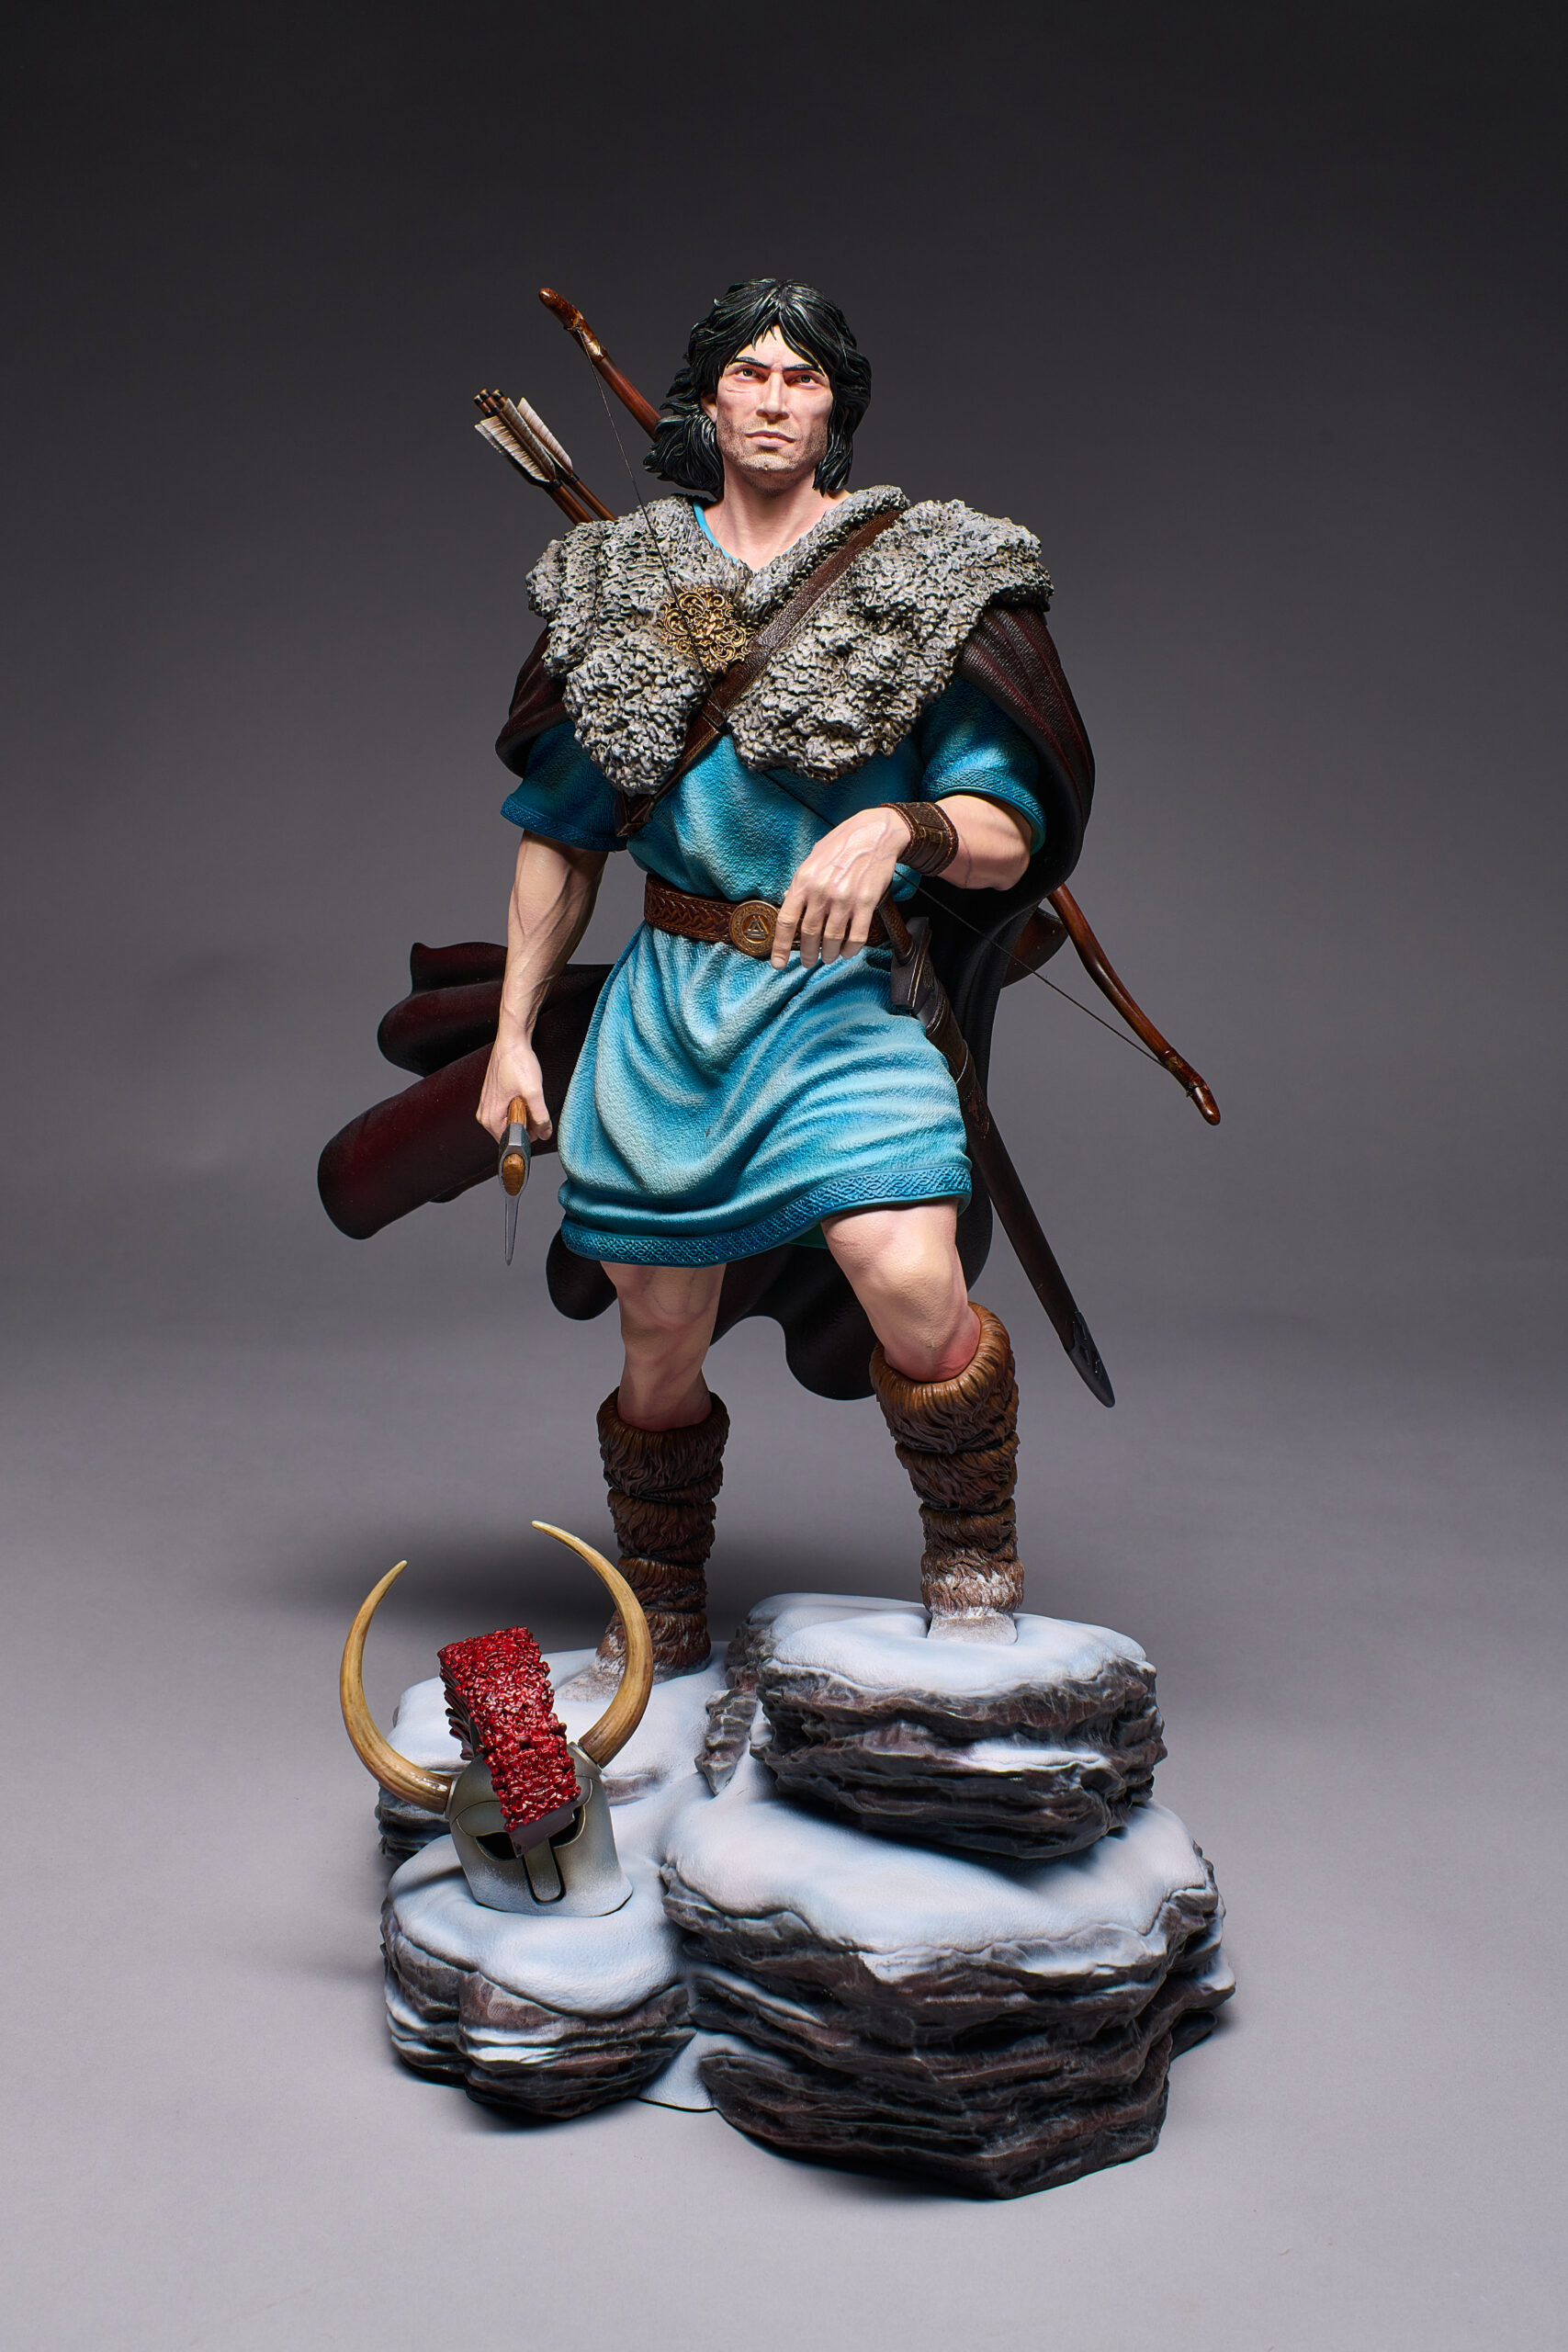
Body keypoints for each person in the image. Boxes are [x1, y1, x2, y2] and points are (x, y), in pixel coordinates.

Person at [477, 279, 1095, 1691]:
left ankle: (972, 1551)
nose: (771, 398)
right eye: (748, 373)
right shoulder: (630, 583)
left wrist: (902, 827)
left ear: (835, 406)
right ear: (707, 400)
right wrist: (514, 1036)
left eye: (800, 376)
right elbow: (562, 836)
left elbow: (1011, 830)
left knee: (914, 1282)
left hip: (842, 1002)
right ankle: (661, 1597)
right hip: (671, 1008)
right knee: (657, 1328)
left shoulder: (920, 577)